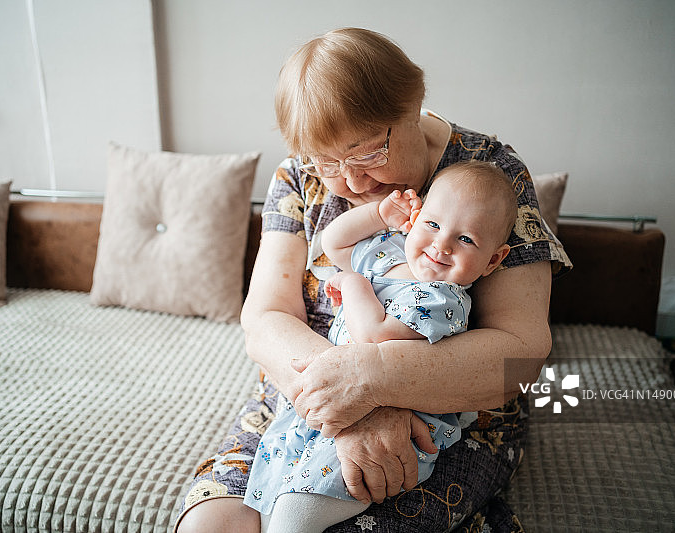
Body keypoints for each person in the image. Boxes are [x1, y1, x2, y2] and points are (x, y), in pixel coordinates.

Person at [175, 27, 571, 533]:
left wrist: (377, 382)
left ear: (414, 106)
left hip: (443, 412)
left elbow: (522, 352)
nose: (353, 181)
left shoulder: (491, 174)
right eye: (329, 162)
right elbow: (265, 317)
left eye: (367, 152)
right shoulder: (298, 176)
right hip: (303, 397)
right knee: (211, 526)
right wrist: (348, 406)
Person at [242, 161, 518, 532]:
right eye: (433, 225)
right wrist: (378, 214)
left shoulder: (443, 299)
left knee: (296, 513)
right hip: (332, 402)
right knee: (269, 499)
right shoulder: (392, 252)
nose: (442, 245)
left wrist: (354, 284)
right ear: (417, 218)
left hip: (393, 427)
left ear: (493, 260)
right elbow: (333, 242)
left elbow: (375, 339)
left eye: (466, 239)